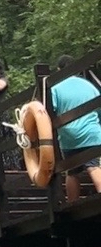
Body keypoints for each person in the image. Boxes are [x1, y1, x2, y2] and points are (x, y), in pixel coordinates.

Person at [49, 61, 101, 202]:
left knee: (71, 172)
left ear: (59, 69)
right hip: (92, 133)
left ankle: (72, 204)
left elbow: (49, 112)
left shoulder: (55, 88)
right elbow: (98, 108)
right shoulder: (89, 86)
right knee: (93, 166)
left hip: (68, 136)